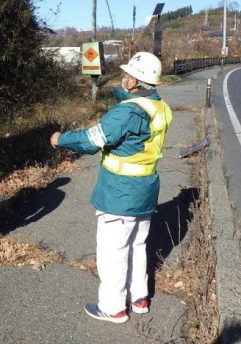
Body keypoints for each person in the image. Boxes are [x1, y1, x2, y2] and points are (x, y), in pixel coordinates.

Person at [50, 52, 172, 324]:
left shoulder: (128, 112)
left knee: (112, 253)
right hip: (146, 190)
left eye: (127, 75)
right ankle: (139, 298)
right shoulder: (159, 107)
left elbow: (92, 140)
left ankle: (113, 308)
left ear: (135, 82)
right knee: (138, 245)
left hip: (120, 193)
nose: (122, 78)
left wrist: (60, 139)